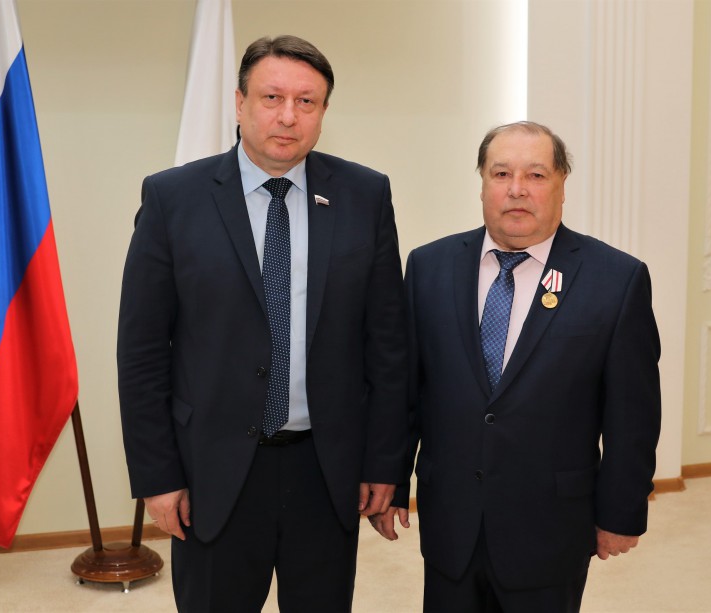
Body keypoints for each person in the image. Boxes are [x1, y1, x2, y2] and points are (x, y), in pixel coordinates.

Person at [117, 35, 407, 612]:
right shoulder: (174, 198)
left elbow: (388, 344)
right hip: (212, 468)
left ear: (323, 111)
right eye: (272, 97)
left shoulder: (364, 195)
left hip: (326, 469)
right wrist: (157, 476)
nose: (288, 116)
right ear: (240, 102)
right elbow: (142, 352)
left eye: (307, 102)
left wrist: (384, 461)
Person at [374, 121, 661, 612]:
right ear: (482, 183)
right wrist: (392, 480)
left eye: (536, 175)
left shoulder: (616, 279)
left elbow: (633, 415)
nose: (517, 189)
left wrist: (621, 511)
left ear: (562, 185)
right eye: (501, 173)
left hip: (551, 529)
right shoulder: (429, 266)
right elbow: (405, 390)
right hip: (451, 522)